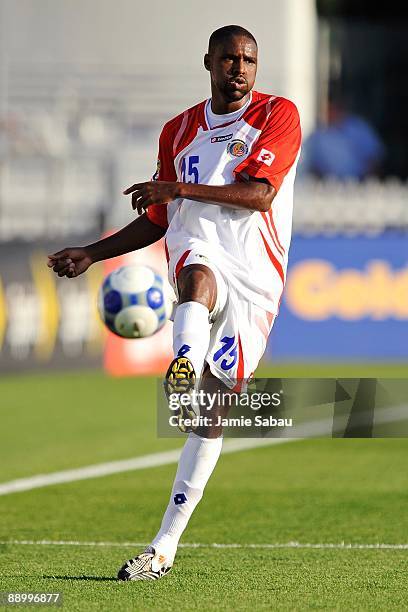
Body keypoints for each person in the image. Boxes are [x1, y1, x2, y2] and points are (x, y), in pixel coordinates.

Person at [47, 24, 301, 581]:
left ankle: (164, 546)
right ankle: (182, 360)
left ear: (255, 67)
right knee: (196, 270)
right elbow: (160, 220)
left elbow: (260, 195)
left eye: (249, 60)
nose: (239, 67)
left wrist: (179, 190)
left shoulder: (278, 115)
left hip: (257, 278)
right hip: (201, 252)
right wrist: (92, 252)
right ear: (207, 61)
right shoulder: (178, 130)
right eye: (229, 58)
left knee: (213, 415)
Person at [300, 96, 384, 180]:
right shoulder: (317, 134)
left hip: (358, 183)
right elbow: (310, 164)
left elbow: (375, 157)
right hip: (329, 185)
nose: (331, 112)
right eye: (328, 109)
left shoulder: (358, 128)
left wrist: (366, 179)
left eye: (333, 109)